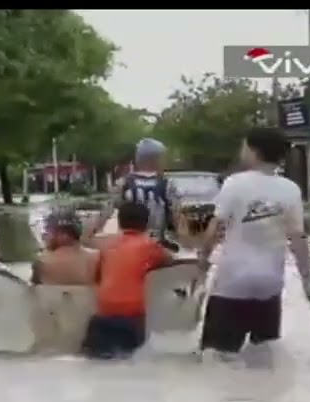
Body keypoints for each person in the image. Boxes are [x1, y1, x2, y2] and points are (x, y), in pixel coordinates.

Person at [197, 127, 310, 355]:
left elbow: (215, 227)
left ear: (253, 151)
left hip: (232, 283)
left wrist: (202, 262)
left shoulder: (235, 183)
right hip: (269, 285)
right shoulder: (291, 189)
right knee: (262, 358)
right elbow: (298, 239)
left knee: (217, 357)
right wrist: (307, 281)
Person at [80, 201, 196, 359]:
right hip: (132, 317)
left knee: (94, 362)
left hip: (103, 314)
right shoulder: (150, 246)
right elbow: (173, 261)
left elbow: (87, 246)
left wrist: (103, 216)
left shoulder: (106, 245)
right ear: (146, 223)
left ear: (119, 221)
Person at [90, 138, 182, 252]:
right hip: (158, 245)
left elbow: (106, 211)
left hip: (129, 245)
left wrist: (92, 232)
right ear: (155, 159)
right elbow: (177, 217)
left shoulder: (124, 183)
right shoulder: (167, 184)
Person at [31, 208, 97, 286]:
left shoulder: (41, 263)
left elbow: (32, 289)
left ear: (64, 235)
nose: (45, 235)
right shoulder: (96, 259)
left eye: (49, 230)